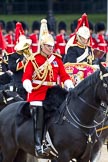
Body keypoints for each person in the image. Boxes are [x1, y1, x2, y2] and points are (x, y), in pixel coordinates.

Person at [20, 19, 74, 157]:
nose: (51, 48)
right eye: (48, 46)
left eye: (52, 46)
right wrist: (27, 84)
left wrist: (68, 83)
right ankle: (38, 144)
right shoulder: (34, 59)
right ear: (42, 46)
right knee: (39, 111)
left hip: (53, 92)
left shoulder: (57, 59)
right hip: (37, 92)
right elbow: (26, 76)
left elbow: (63, 75)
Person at [8, 22, 32, 100]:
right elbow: (12, 67)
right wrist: (23, 62)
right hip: (19, 82)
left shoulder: (28, 54)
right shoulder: (13, 56)